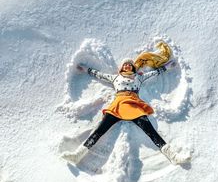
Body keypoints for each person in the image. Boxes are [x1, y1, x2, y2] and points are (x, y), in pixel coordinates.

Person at [61, 58, 191, 166]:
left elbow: (154, 73)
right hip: (117, 106)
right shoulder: (115, 78)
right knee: (99, 130)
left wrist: (167, 66)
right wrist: (86, 69)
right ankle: (78, 155)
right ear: (122, 68)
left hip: (135, 106)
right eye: (125, 64)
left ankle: (173, 157)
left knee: (152, 133)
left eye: (130, 65)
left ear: (133, 68)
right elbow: (99, 75)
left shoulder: (138, 78)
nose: (128, 66)